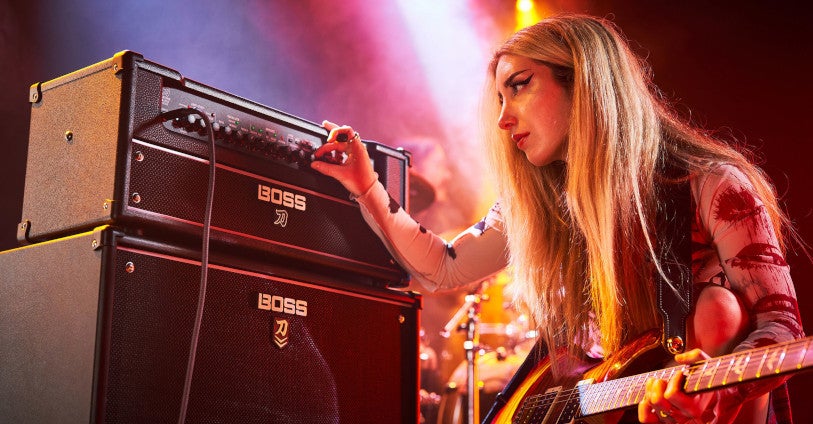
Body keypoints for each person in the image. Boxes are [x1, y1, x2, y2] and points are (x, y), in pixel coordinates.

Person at [310, 14, 805, 424]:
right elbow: (441, 267)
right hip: (605, 404)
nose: (503, 118)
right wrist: (367, 186)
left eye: (519, 86)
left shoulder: (712, 186)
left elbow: (781, 326)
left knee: (719, 314)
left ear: (584, 82)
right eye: (499, 98)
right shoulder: (538, 206)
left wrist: (717, 393)